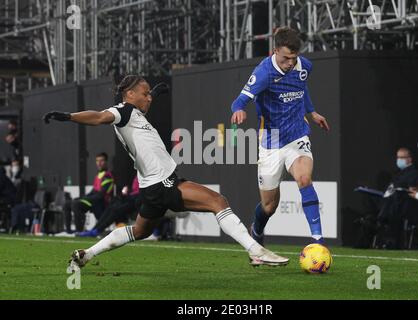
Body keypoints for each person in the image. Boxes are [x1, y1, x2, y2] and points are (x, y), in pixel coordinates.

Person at [43, 75, 288, 269]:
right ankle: (255, 250)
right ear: (129, 94)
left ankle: (88, 254)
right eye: (145, 93)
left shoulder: (134, 113)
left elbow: (138, 110)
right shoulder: (122, 111)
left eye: (150, 94)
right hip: (162, 184)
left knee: (140, 231)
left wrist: (155, 94)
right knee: (218, 201)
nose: (149, 98)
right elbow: (98, 117)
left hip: (153, 188)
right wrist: (68, 116)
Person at [230, 27, 330, 245]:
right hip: (271, 143)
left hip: (297, 135)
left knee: (304, 179)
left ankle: (318, 241)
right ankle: (257, 228)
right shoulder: (264, 73)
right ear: (275, 51)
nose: (290, 64)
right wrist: (238, 110)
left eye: (293, 58)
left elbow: (302, 89)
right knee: (269, 206)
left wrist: (311, 112)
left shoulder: (304, 66)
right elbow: (239, 101)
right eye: (285, 59)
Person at [64, 153, 114, 233]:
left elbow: (101, 195)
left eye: (101, 160)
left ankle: (79, 231)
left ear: (106, 162)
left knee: (76, 204)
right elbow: (93, 191)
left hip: (101, 204)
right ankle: (68, 231)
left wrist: (84, 199)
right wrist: (82, 198)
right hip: (94, 201)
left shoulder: (108, 176)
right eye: (97, 161)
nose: (99, 163)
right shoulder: (99, 175)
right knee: (67, 204)